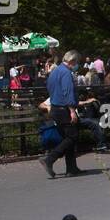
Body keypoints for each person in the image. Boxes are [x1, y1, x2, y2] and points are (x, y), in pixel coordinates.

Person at [40, 51, 83, 179]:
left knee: (67, 137)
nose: (77, 65)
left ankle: (71, 168)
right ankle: (49, 159)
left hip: (55, 108)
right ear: (72, 61)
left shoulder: (55, 71)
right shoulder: (66, 73)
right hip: (64, 109)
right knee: (72, 137)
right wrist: (72, 110)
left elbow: (50, 88)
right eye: (76, 62)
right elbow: (67, 92)